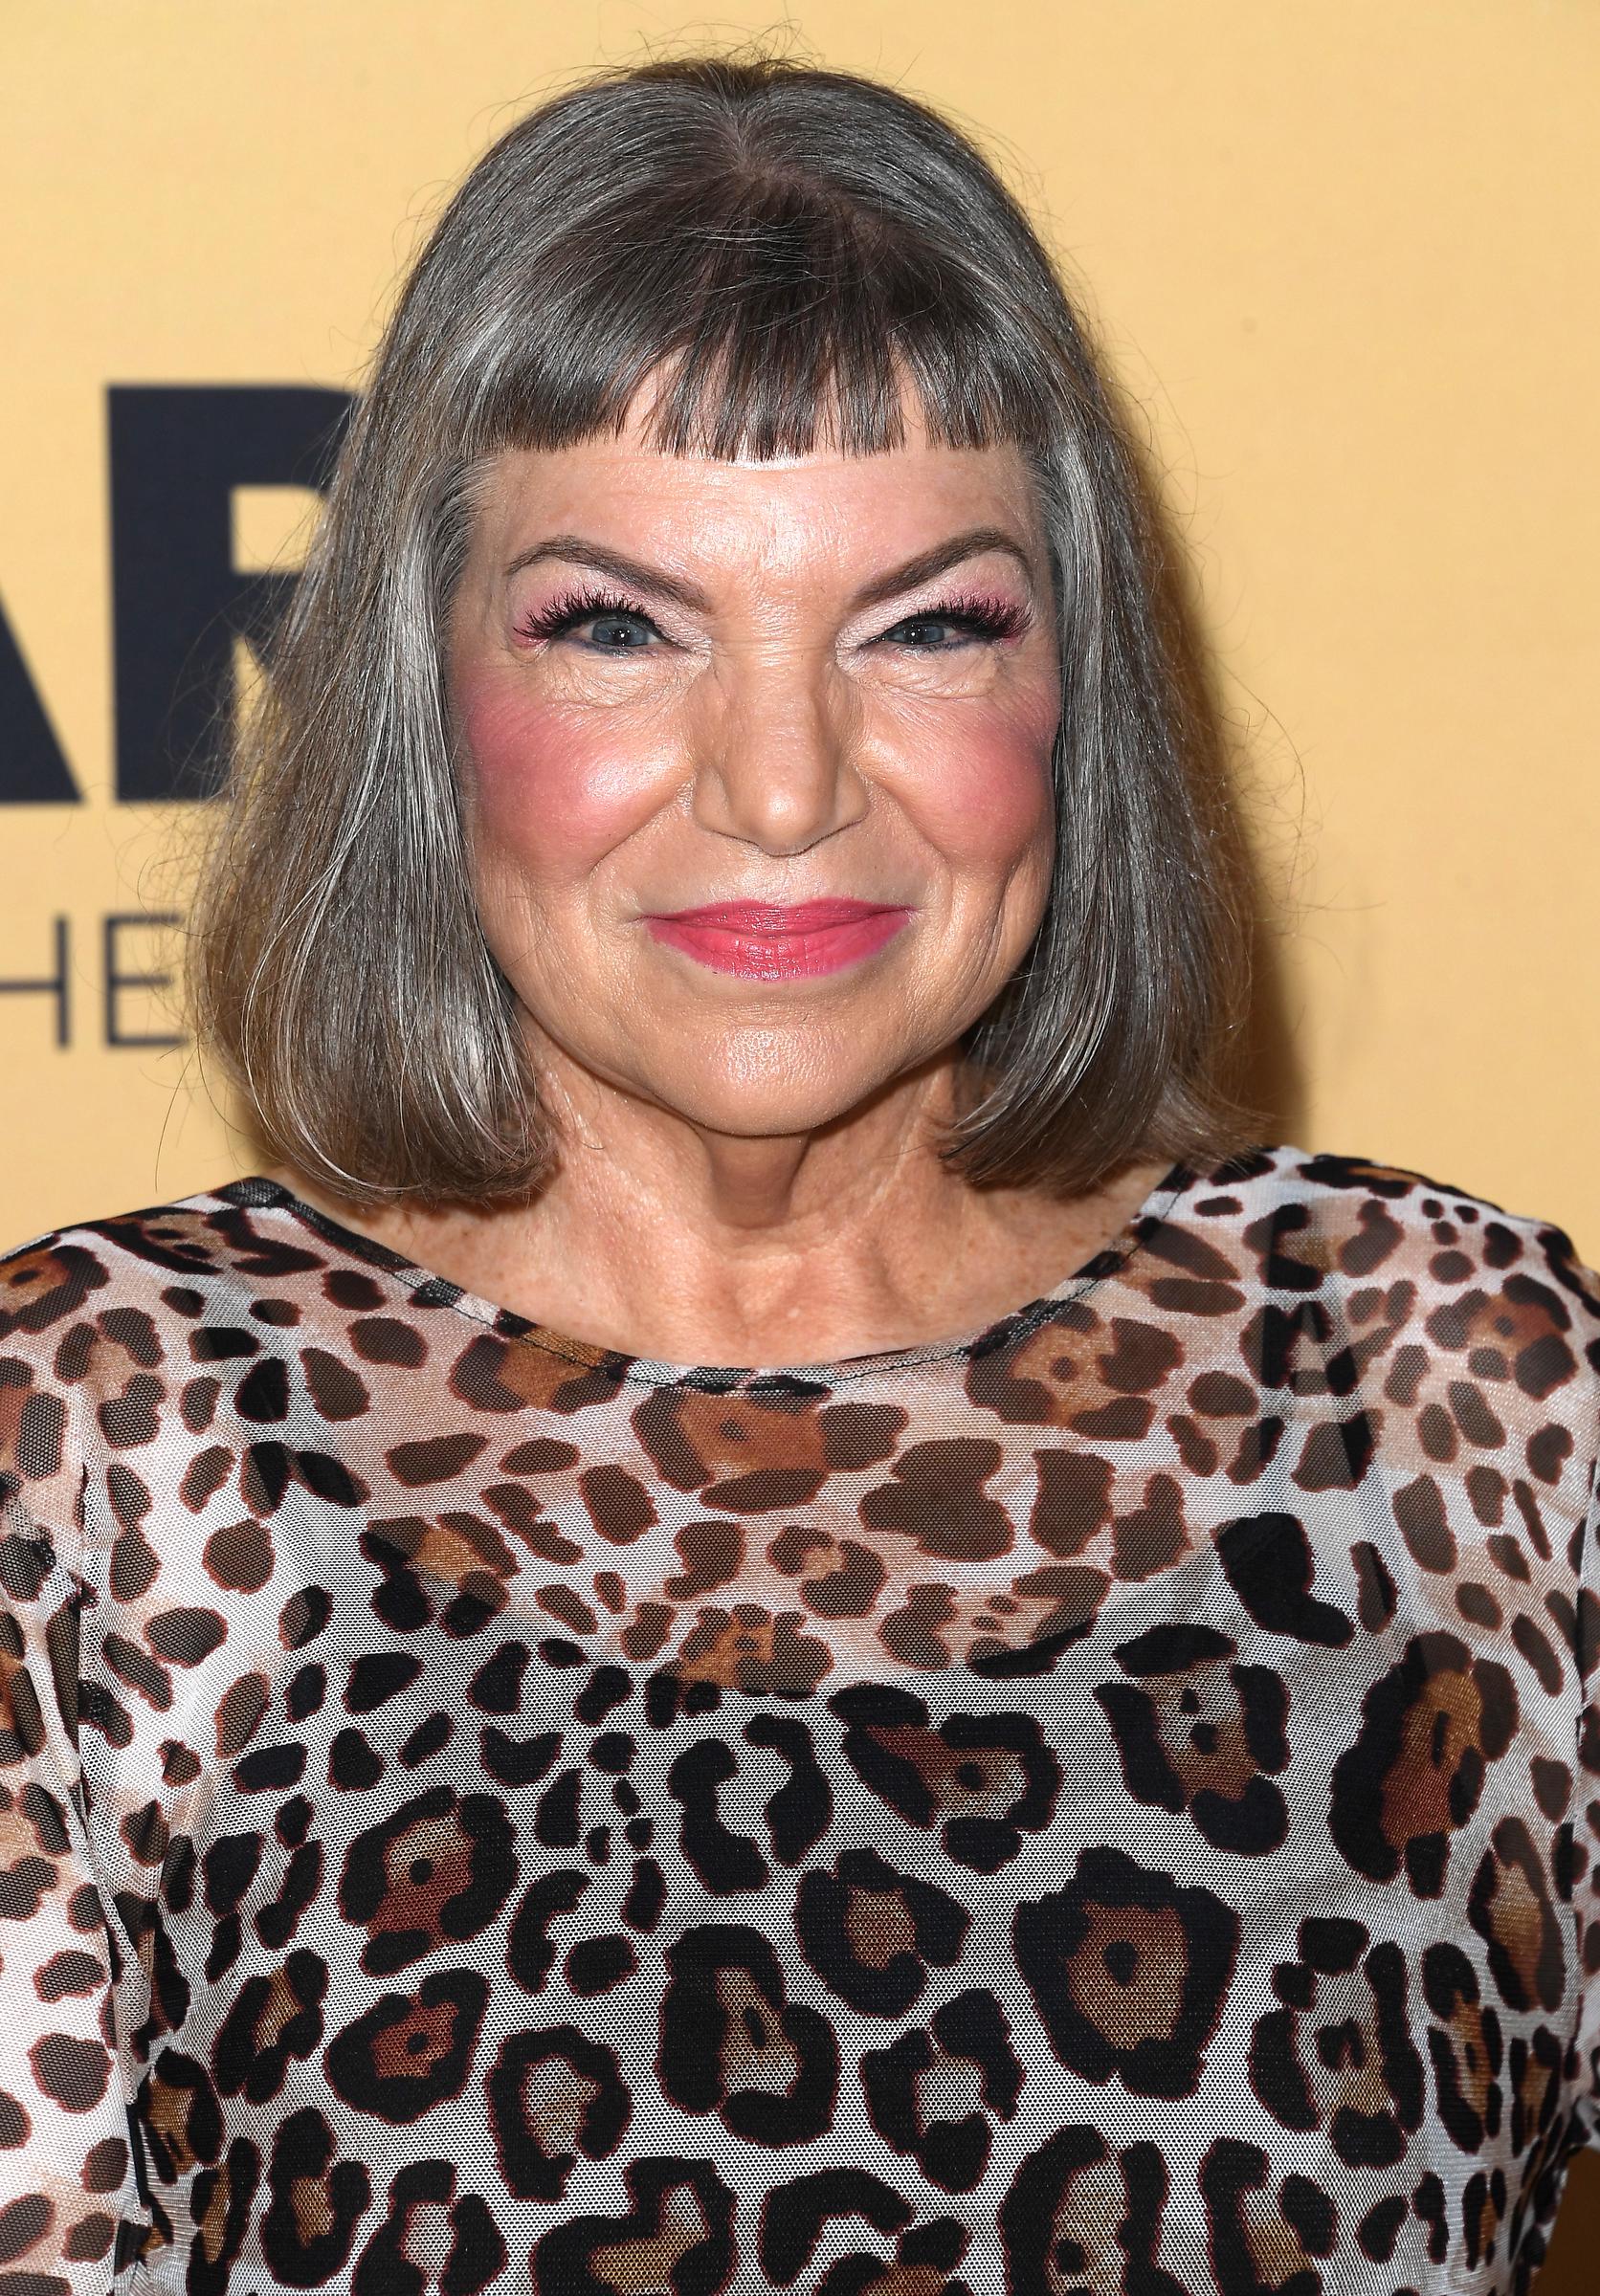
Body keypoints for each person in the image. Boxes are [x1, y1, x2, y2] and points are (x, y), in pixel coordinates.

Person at [1, 51, 1595, 2296]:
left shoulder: (1458, 1398)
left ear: (1073, 685)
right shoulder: (102, 1451)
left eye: (928, 623)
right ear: (419, 685)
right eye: (617, 625)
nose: (779, 783)